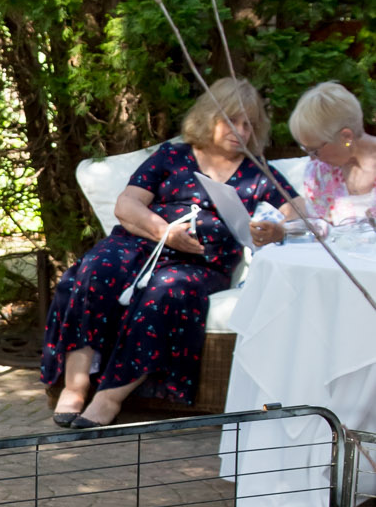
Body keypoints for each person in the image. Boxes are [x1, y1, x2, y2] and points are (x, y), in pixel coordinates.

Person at [41, 77, 297, 427]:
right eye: (231, 120)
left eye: (249, 124)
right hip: (142, 242)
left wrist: (277, 228)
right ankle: (75, 386)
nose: (240, 131)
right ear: (209, 118)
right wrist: (164, 231)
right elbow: (127, 204)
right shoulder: (173, 156)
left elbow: (299, 215)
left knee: (169, 290)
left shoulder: (257, 173)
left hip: (202, 262)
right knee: (97, 267)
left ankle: (110, 397)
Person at [254, 80, 376, 234]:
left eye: (315, 150)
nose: (311, 159)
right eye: (306, 149)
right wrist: (282, 232)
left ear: (346, 137)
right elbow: (320, 229)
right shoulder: (319, 173)